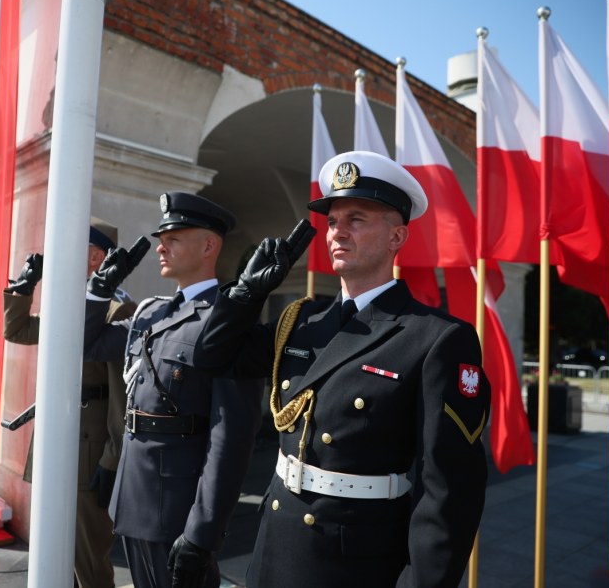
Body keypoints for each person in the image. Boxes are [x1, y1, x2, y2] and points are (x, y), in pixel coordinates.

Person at [195, 150, 491, 587]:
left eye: (356, 219)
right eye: (332, 221)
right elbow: (213, 358)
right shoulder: (302, 321)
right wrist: (244, 293)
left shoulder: (436, 337)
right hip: (275, 545)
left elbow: (449, 490)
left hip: (353, 562)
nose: (337, 232)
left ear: (397, 237)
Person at [82, 192, 263, 588]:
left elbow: (229, 440)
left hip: (180, 508)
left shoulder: (226, 321)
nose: (161, 247)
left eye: (175, 238)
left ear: (209, 245)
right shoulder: (151, 311)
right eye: (162, 237)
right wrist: (100, 288)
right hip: (133, 496)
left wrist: (203, 530)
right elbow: (85, 342)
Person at [3, 217, 136, 588]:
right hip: (60, 436)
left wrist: (112, 458)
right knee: (55, 546)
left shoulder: (117, 309)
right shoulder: (72, 301)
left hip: (89, 449)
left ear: (96, 257)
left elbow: (122, 394)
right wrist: (25, 285)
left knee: (87, 558)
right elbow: (16, 330)